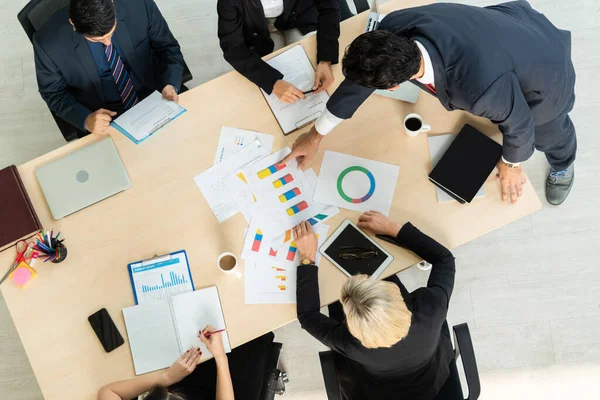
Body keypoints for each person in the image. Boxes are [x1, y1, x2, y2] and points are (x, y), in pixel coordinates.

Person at [281, 1, 577, 206]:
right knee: (501, 105)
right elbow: (362, 79)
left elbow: (520, 124)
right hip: (502, 32)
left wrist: (511, 163)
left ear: (395, 86)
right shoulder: (394, 27)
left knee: (548, 131)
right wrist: (315, 134)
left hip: (547, 74)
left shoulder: (478, 89)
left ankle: (563, 163)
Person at [292, 212, 456, 400]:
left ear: (352, 328)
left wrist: (306, 258)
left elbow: (307, 316)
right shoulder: (431, 311)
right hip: (429, 379)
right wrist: (393, 229)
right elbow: (445, 259)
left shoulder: (352, 346)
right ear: (397, 296)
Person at [34, 0, 184, 137]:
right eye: (96, 40)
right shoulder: (48, 44)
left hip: (155, 95)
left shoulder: (139, 4)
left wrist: (170, 83)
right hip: (101, 116)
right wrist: (85, 119)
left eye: (111, 32)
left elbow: (167, 47)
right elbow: (53, 92)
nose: (107, 42)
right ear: (73, 23)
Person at [98, 326, 275, 400]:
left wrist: (167, 378)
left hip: (177, 381)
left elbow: (108, 392)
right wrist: (220, 358)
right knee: (251, 340)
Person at [217, 0, 341, 104]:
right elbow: (232, 46)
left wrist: (326, 58)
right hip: (257, 27)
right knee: (274, 85)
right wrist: (272, 82)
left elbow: (329, 8)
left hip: (299, 16)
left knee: (313, 71)